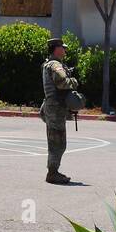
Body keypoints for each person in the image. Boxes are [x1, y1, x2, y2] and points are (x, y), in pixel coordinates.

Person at [40, 38, 78, 184]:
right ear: (56, 49)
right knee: (58, 142)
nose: (65, 50)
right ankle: (53, 173)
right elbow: (62, 82)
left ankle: (53, 171)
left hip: (52, 106)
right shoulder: (55, 65)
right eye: (63, 47)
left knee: (55, 140)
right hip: (55, 107)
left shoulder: (49, 64)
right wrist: (74, 81)